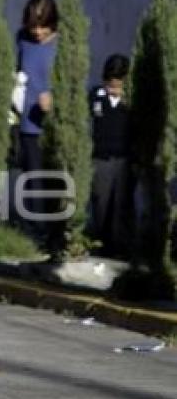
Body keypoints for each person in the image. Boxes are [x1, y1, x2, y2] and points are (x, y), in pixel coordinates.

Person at [15, 0, 59, 248]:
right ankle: (35, 233)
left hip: (54, 126)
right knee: (33, 180)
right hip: (28, 125)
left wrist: (55, 100)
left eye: (42, 26)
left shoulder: (61, 44)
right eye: (33, 26)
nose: (38, 32)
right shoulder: (22, 40)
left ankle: (56, 234)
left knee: (55, 180)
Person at [88, 54, 132, 258]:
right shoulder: (95, 96)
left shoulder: (131, 101)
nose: (112, 89)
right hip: (101, 159)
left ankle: (120, 248)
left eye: (117, 86)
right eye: (110, 84)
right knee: (101, 204)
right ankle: (100, 244)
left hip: (124, 159)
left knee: (120, 205)